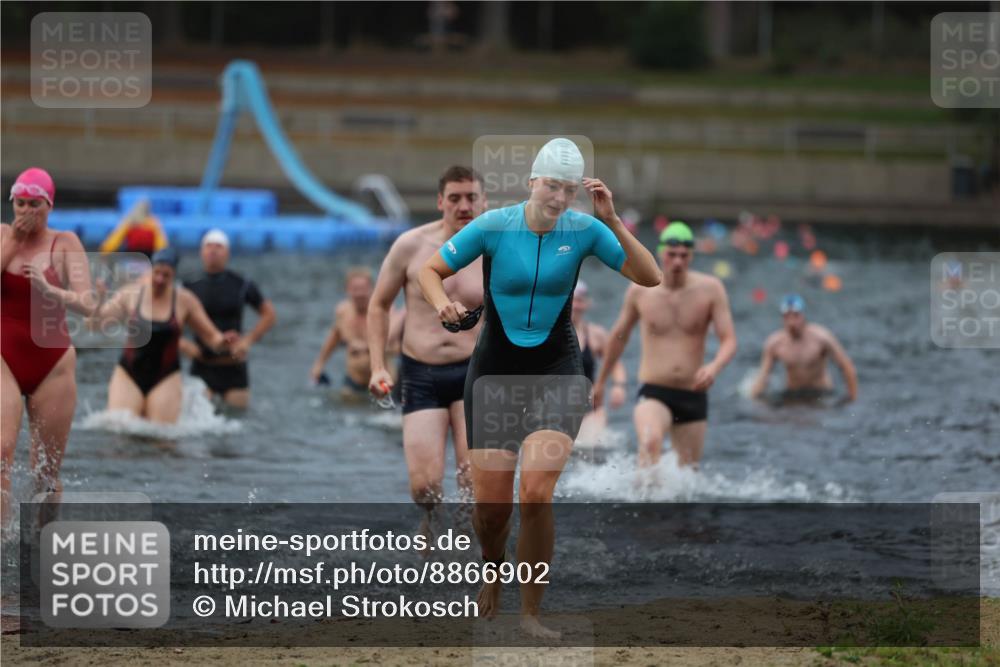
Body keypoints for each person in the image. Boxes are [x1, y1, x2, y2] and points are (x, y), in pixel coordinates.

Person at [418, 138, 661, 636]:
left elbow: (650, 275)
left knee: (534, 493)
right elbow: (430, 270)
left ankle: (530, 613)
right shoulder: (494, 225)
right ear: (532, 181)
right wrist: (441, 303)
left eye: (568, 190)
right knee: (491, 511)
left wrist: (613, 220)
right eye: (551, 185)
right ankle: (493, 570)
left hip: (557, 371)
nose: (559, 197)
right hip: (494, 373)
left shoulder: (585, 230)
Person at [368, 166, 487, 533]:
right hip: (421, 372)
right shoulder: (411, 245)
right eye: (455, 198)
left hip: (475, 371)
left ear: (483, 202)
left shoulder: (494, 250)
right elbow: (379, 305)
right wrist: (378, 366)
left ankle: (469, 545)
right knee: (424, 487)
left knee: (474, 480)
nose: (463, 205)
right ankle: (431, 521)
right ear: (440, 202)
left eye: (471, 197)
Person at [594, 222, 737, 470]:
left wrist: (714, 367)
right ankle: (643, 494)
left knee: (688, 474)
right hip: (654, 390)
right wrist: (601, 382)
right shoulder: (640, 290)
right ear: (661, 253)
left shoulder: (711, 289)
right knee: (650, 443)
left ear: (691, 255)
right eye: (672, 254)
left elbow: (729, 340)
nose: (678, 261)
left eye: (684, 255)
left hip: (693, 393)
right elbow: (618, 337)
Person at [2, 168, 96, 530]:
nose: (26, 211)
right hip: (4, 355)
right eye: (20, 203)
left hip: (52, 362)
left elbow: (88, 304)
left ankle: (44, 544)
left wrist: (50, 290)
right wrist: (13, 240)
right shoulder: (2, 235)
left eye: (34, 204)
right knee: (1, 453)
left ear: (49, 205)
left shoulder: (65, 242)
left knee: (46, 472)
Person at [89, 248, 235, 423]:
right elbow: (94, 326)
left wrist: (224, 341)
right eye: (157, 273)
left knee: (161, 434)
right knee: (119, 427)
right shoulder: (130, 294)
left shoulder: (185, 300)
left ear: (173, 276)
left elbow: (212, 337)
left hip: (166, 377)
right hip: (128, 373)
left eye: (166, 275)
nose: (159, 279)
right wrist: (99, 301)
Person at [180, 229, 276, 409]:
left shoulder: (241, 284)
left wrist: (248, 341)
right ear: (201, 251)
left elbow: (269, 314)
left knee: (237, 419)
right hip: (202, 365)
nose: (213, 250)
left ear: (227, 253)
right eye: (209, 246)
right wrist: (183, 344)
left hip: (233, 366)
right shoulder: (188, 286)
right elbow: (168, 318)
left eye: (219, 246)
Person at [750, 294, 858, 404]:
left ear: (803, 316)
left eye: (795, 316)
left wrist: (852, 397)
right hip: (793, 394)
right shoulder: (775, 344)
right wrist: (754, 399)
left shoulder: (821, 338)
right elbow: (763, 376)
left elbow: (846, 366)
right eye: (787, 317)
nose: (791, 322)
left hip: (821, 393)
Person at [310, 268, 397, 401]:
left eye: (363, 289)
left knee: (386, 410)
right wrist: (319, 365)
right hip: (354, 379)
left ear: (372, 289)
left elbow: (395, 345)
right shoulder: (343, 312)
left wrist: (365, 347)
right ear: (347, 290)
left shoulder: (385, 311)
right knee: (344, 404)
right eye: (355, 289)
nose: (359, 293)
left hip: (383, 381)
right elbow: (334, 338)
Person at [571, 280, 627, 443]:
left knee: (590, 448)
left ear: (587, 304)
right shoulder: (549, 334)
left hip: (591, 409)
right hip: (556, 409)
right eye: (572, 300)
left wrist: (618, 386)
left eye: (580, 300)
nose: (575, 306)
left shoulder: (596, 334)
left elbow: (614, 362)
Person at [99, 198, 168, 259]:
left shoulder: (152, 222)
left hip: (142, 255)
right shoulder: (131, 221)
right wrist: (106, 250)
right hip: (137, 255)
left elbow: (160, 242)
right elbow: (115, 238)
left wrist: (105, 251)